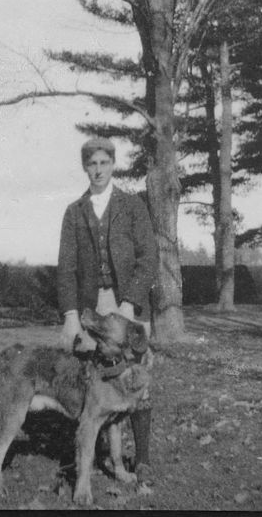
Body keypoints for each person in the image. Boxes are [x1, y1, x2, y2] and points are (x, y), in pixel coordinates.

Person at [57, 136, 157, 483]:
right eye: (92, 164)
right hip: (94, 307)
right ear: (85, 167)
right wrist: (71, 315)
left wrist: (129, 300)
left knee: (138, 376)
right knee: (96, 378)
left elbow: (149, 258)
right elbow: (66, 268)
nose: (98, 170)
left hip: (129, 301)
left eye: (104, 163)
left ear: (113, 164)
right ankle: (97, 456)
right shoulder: (74, 212)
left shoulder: (132, 206)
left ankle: (141, 460)